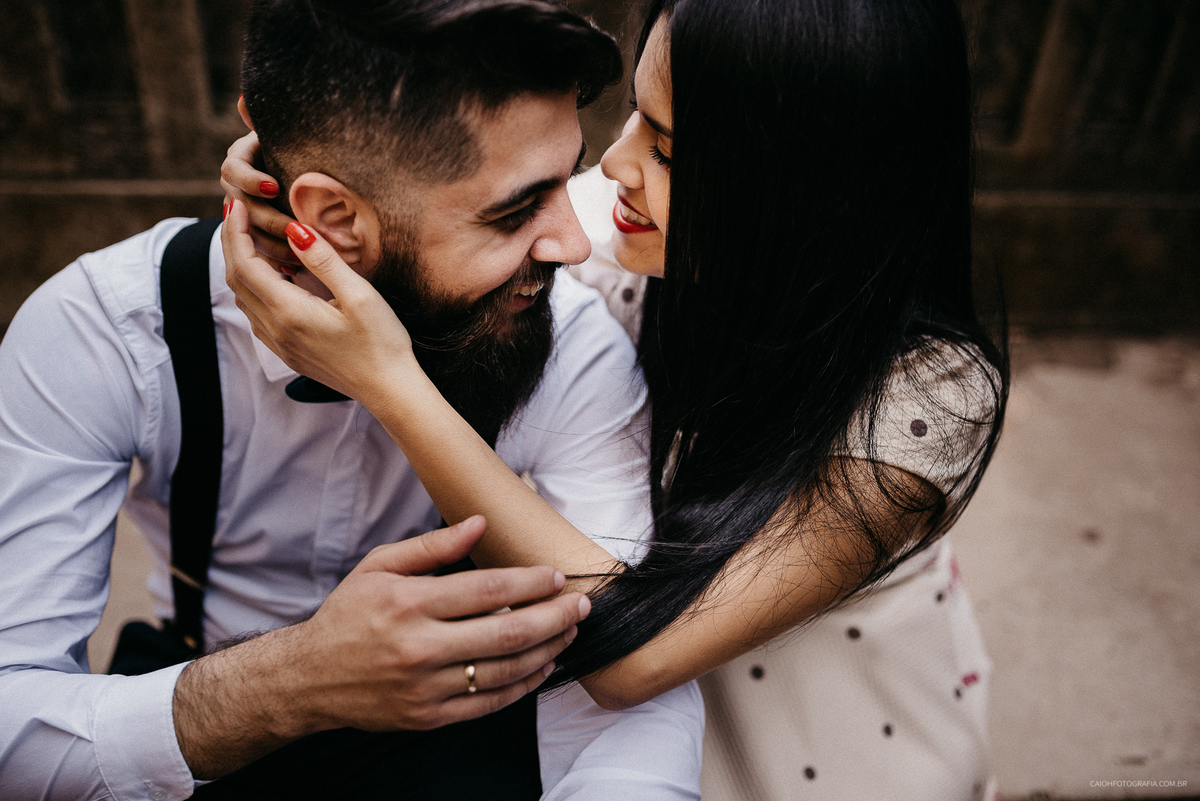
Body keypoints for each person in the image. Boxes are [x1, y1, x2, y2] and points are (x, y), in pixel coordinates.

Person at [224, 0, 1009, 797]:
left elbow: (635, 658)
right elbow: (426, 213)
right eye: (635, 114)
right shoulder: (624, 226)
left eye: (667, 150)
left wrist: (389, 383)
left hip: (823, 746)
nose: (613, 169)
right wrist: (293, 174)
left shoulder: (929, 398)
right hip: (630, 729)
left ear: (803, 186)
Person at [0, 2, 707, 799]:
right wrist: (297, 679)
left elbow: (632, 694)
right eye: (514, 210)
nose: (573, 246)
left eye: (564, 180)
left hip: (464, 730)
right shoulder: (107, 329)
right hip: (200, 720)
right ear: (333, 217)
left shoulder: (570, 339)